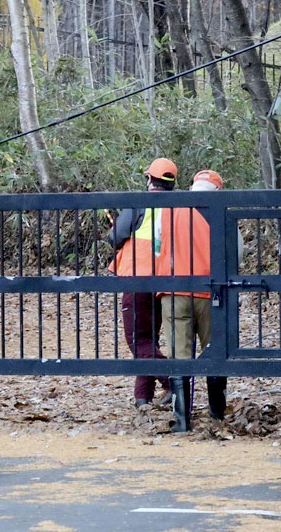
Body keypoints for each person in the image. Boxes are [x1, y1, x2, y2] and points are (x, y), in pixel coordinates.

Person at [157, 169, 243, 422]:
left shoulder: (171, 207)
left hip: (174, 290)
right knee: (214, 351)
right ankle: (217, 412)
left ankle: (182, 418)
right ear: (218, 190)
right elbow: (237, 252)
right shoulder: (222, 209)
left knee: (178, 353)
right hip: (211, 292)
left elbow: (157, 242)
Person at [108, 158, 176, 408]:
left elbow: (115, 236)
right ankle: (142, 397)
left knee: (139, 340)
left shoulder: (139, 204)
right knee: (148, 339)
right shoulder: (179, 207)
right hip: (164, 280)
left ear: (149, 179)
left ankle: (172, 382)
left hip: (137, 277)